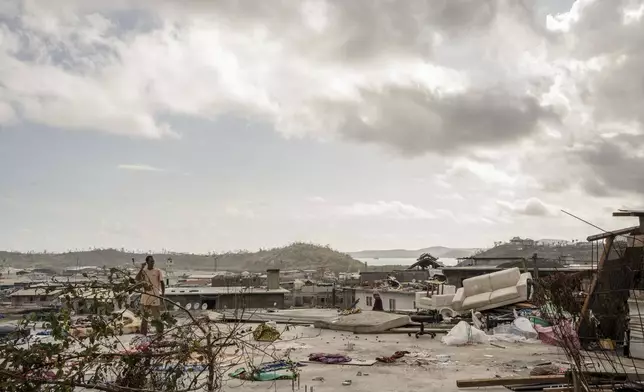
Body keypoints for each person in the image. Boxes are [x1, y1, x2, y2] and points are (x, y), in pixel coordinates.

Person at [136, 255, 165, 335]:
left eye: (153, 261)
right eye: (151, 261)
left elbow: (162, 283)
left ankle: (160, 335)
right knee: (144, 318)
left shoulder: (158, 271)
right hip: (145, 298)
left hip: (155, 297)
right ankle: (143, 336)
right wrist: (141, 268)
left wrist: (162, 294)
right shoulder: (144, 271)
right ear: (147, 262)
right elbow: (137, 279)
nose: (153, 263)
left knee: (157, 318)